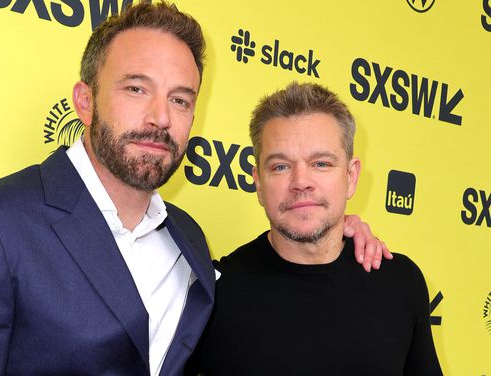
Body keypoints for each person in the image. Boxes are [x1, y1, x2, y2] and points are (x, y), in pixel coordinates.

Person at [0, 4, 389, 376]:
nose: (160, 117)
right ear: (85, 101)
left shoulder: (186, 240)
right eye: (135, 89)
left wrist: (337, 233)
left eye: (180, 99)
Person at [188, 82, 442, 375]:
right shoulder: (213, 296)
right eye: (280, 166)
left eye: (321, 163)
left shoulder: (400, 282)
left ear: (351, 176)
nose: (301, 181)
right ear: (258, 182)